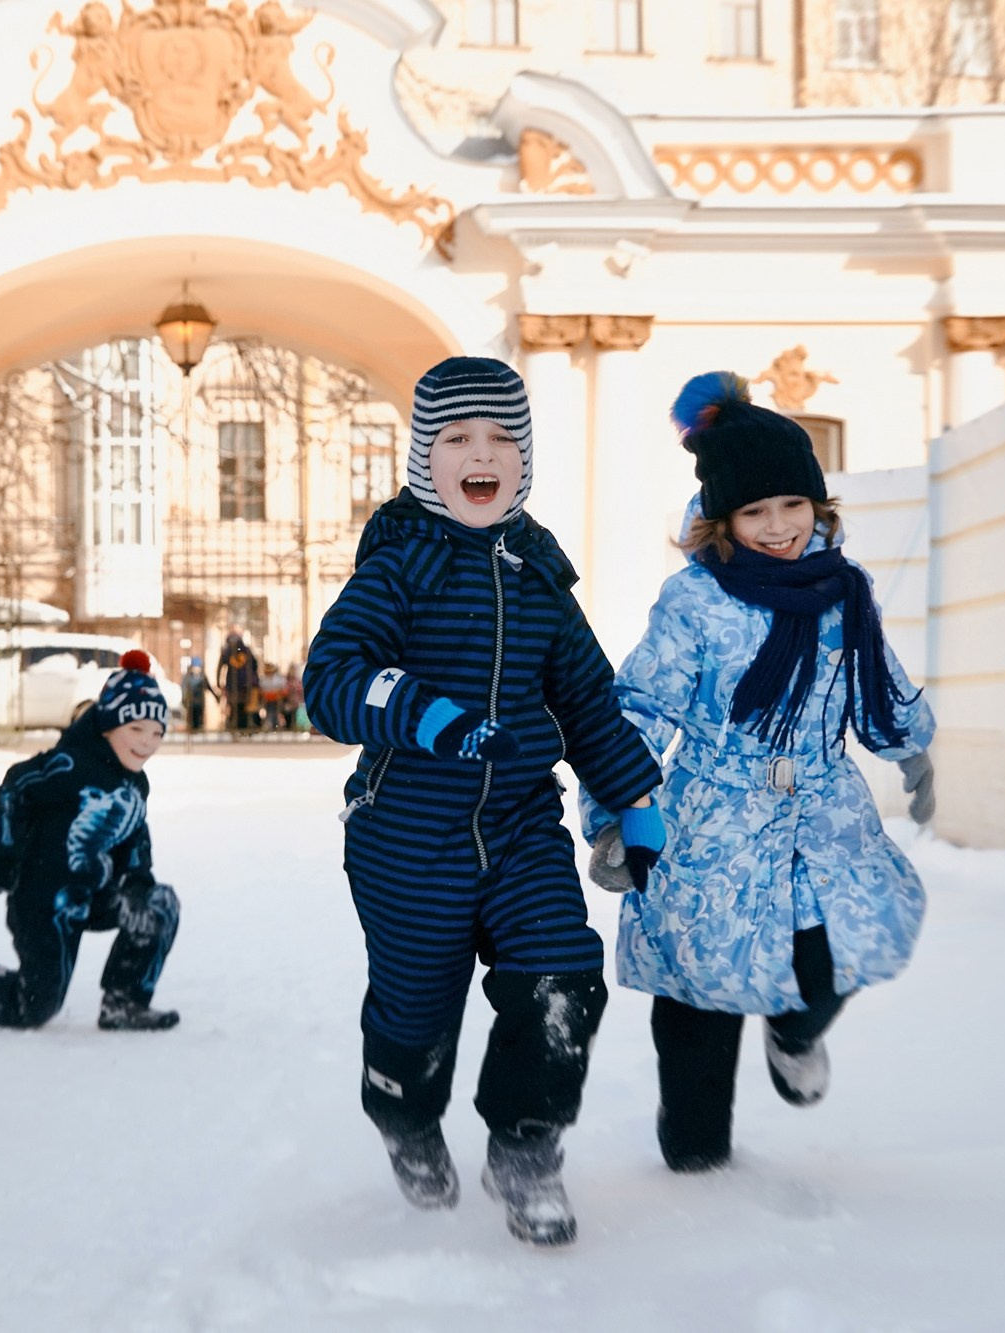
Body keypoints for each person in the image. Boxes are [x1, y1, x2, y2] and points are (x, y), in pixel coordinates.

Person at [303, 356, 665, 1248]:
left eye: (502, 438)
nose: (481, 454)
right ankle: (404, 1114)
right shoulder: (401, 565)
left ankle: (526, 1147)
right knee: (416, 1007)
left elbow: (587, 701)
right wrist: (427, 714)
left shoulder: (537, 572)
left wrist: (635, 802)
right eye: (457, 437)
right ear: (427, 456)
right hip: (406, 833)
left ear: (524, 456)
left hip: (519, 828)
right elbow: (330, 680)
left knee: (562, 981)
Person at [583, 371, 936, 1174]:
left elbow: (875, 682)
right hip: (711, 821)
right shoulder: (695, 601)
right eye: (755, 511)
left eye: (792, 504)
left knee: (847, 941)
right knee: (699, 991)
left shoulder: (845, 591)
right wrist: (611, 811)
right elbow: (638, 706)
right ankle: (696, 1157)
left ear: (819, 506)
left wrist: (912, 744)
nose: (778, 525)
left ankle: (795, 1030)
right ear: (723, 521)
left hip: (824, 810)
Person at [0, 650, 182, 1031]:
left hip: (97, 893)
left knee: (158, 905)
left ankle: (124, 1001)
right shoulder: (68, 766)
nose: (146, 743)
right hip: (46, 898)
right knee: (35, 1007)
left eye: (156, 733)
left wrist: (137, 882)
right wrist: (4, 855)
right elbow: (13, 790)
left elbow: (136, 837)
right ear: (107, 726)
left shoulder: (135, 784)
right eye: (135, 730)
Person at [216, 630, 259, 732]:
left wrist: (218, 681)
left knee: (234, 707)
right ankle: (242, 727)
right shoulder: (246, 650)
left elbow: (220, 667)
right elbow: (255, 665)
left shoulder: (227, 651)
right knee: (242, 707)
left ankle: (236, 726)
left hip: (234, 685)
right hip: (244, 684)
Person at [180, 656, 212, 732]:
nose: (197, 669)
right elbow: (183, 688)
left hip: (200, 702)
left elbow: (208, 687)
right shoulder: (187, 677)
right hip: (191, 702)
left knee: (200, 718)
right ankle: (192, 730)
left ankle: (199, 729)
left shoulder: (202, 677)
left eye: (198, 667)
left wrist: (216, 696)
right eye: (195, 667)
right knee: (192, 718)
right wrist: (184, 698)